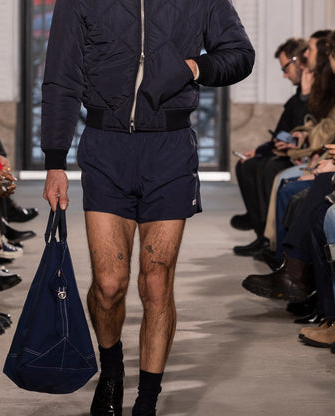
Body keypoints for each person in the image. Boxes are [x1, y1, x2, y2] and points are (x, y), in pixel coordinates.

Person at [42, 2, 255, 415]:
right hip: (105, 147)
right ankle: (112, 371)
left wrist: (194, 67)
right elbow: (61, 74)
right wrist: (55, 161)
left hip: (169, 150)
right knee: (109, 285)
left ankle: (148, 400)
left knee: (156, 283)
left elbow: (240, 54)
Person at [231, 38, 310, 254]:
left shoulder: (315, 92)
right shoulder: (297, 97)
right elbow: (281, 133)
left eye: (285, 68)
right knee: (246, 165)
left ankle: (269, 237)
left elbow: (309, 129)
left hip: (304, 156)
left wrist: (305, 94)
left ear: (299, 62)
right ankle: (260, 229)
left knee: (268, 168)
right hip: (291, 152)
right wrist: (259, 151)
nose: (284, 75)